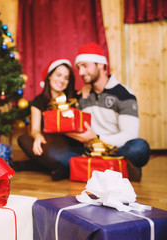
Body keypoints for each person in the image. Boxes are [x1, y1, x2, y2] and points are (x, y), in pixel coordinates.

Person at [64, 42, 150, 182]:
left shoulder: (125, 94)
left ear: (101, 65)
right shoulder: (82, 95)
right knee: (55, 149)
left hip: (115, 149)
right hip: (89, 150)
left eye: (85, 66)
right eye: (79, 67)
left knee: (139, 147)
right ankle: (119, 168)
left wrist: (96, 137)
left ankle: (111, 166)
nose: (80, 73)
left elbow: (129, 135)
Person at [16, 58, 78, 181]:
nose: (62, 80)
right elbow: (34, 129)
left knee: (57, 150)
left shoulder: (75, 98)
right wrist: (37, 136)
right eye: (58, 75)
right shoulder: (38, 102)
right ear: (49, 76)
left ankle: (42, 166)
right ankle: (61, 168)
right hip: (49, 146)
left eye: (66, 78)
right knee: (23, 139)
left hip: (71, 148)